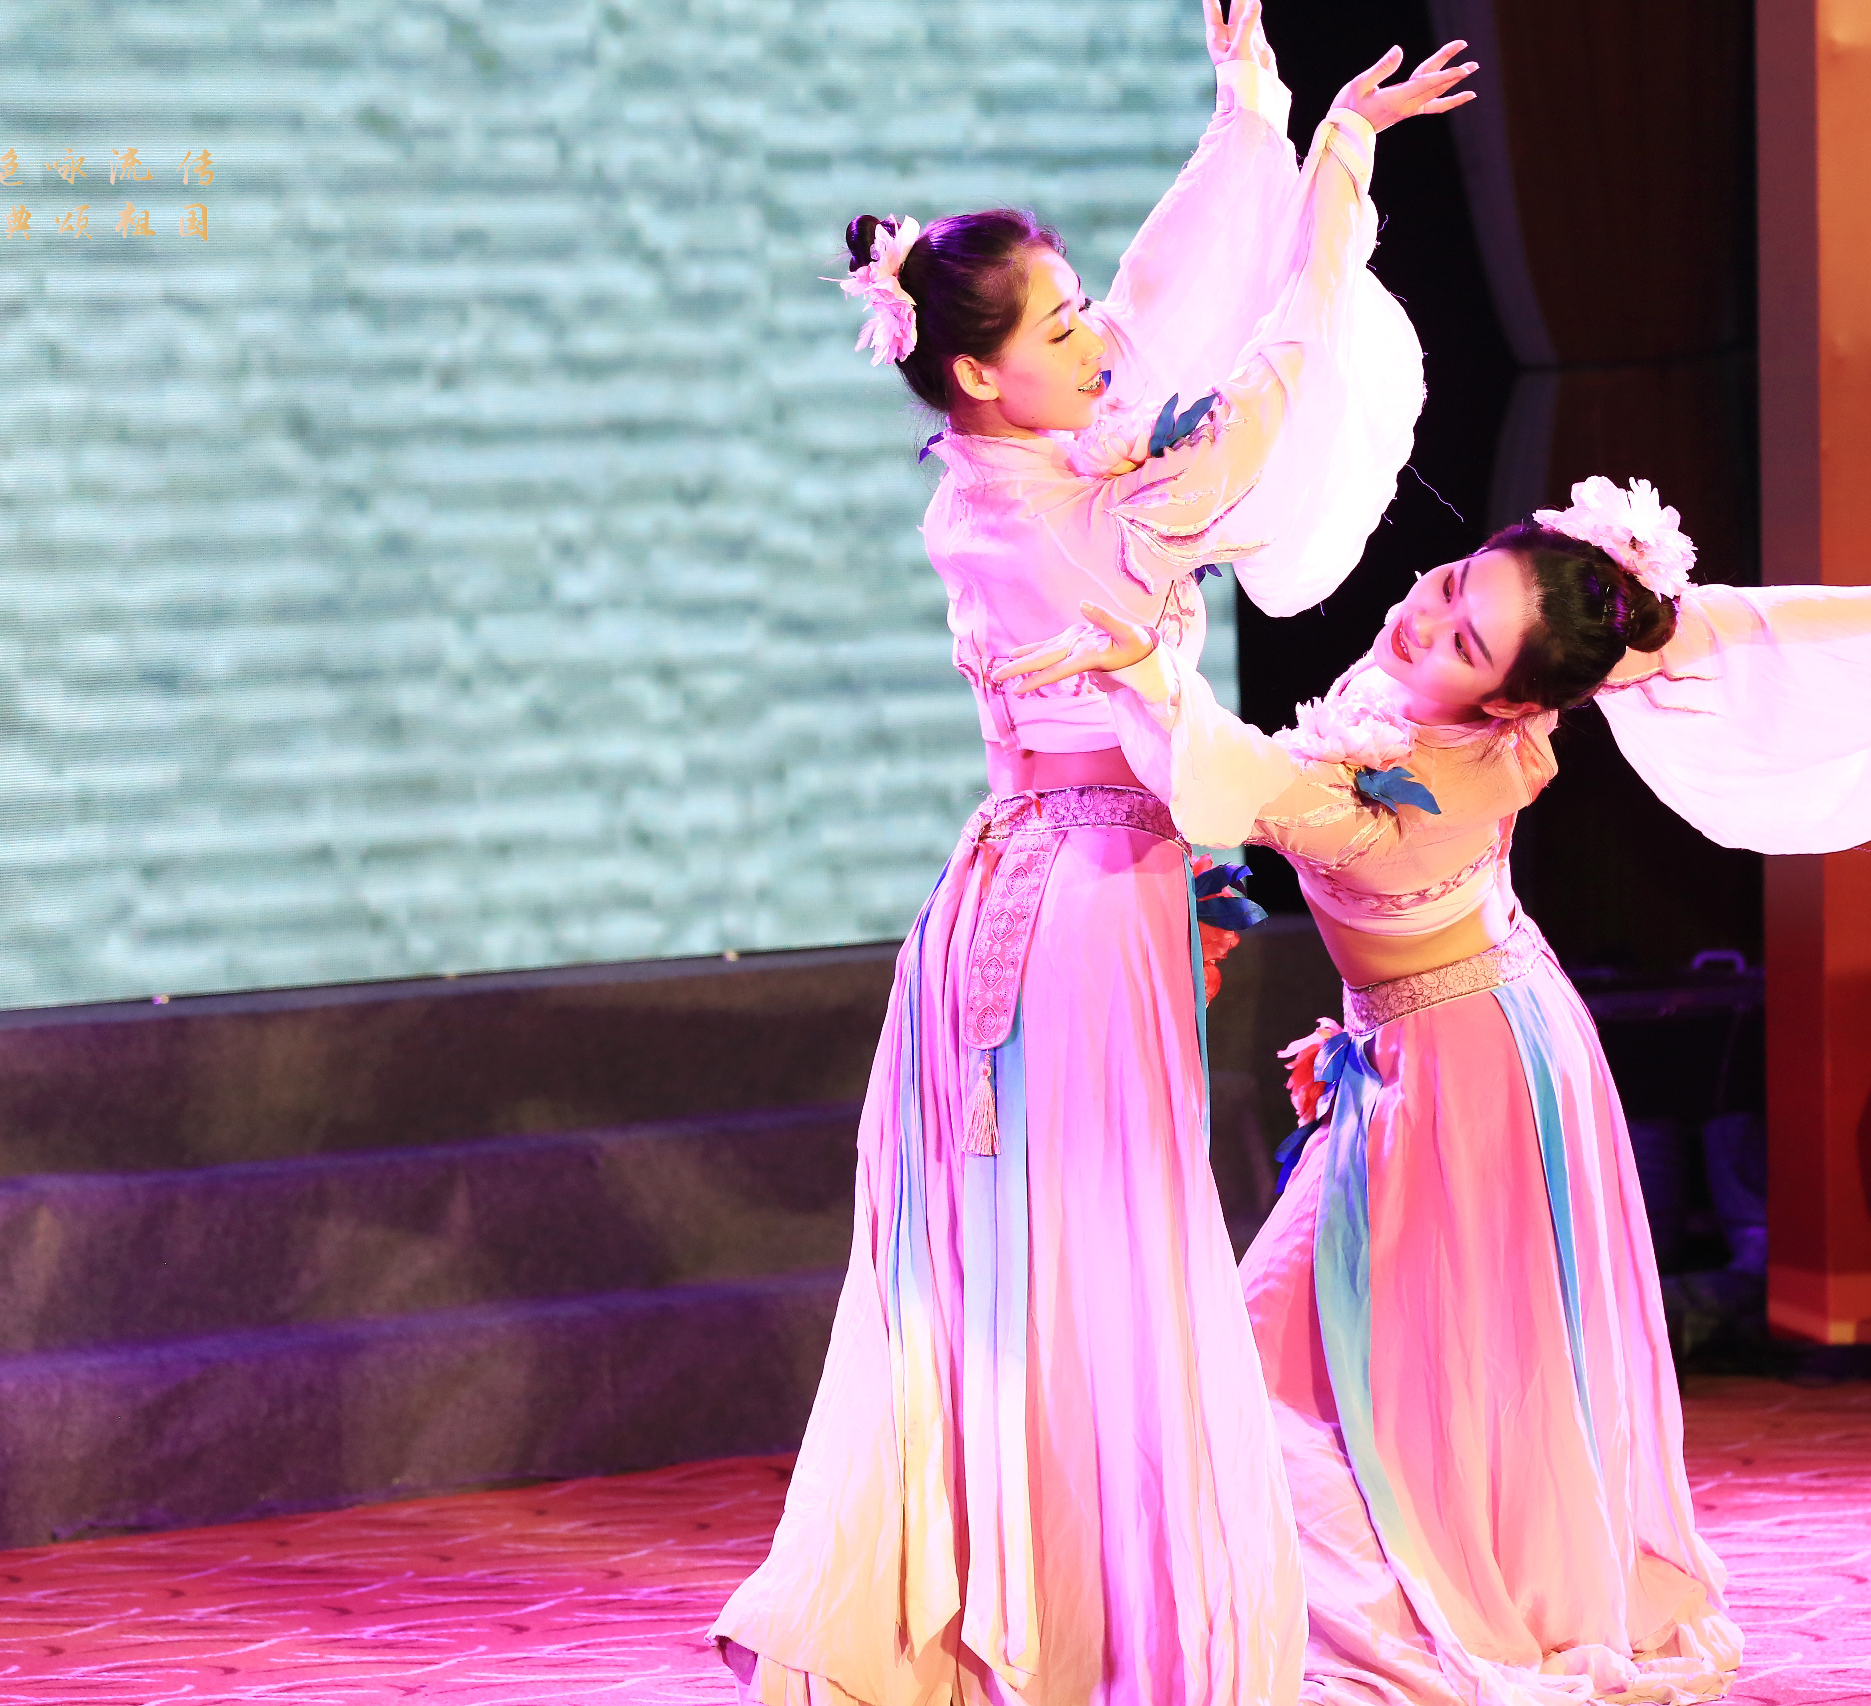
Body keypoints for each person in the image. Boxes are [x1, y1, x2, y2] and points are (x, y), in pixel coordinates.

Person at [994, 474, 1871, 1703]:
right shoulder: (1507, 666)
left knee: (1422, 1373)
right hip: (1442, 1034)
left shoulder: (1397, 787)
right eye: (1450, 584)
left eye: (1463, 639)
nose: (1422, 620)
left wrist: (1143, 668)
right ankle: (1261, 1578)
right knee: (1310, 1349)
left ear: (1508, 699)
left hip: (1471, 1080)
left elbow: (1238, 780)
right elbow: (1721, 621)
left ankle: (1416, 1592)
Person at [709, 8, 1478, 1703]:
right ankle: (1094, 1612)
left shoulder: (1019, 456)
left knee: (1074, 1248)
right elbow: (1257, 405)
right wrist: (1333, 183)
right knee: (1103, 1245)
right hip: (1069, 911)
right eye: (1055, 328)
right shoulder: (1059, 515)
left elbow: (1155, 293)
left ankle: (1063, 1587)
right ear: (983, 373)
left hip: (1060, 886)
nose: (1096, 340)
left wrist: (1249, 114)